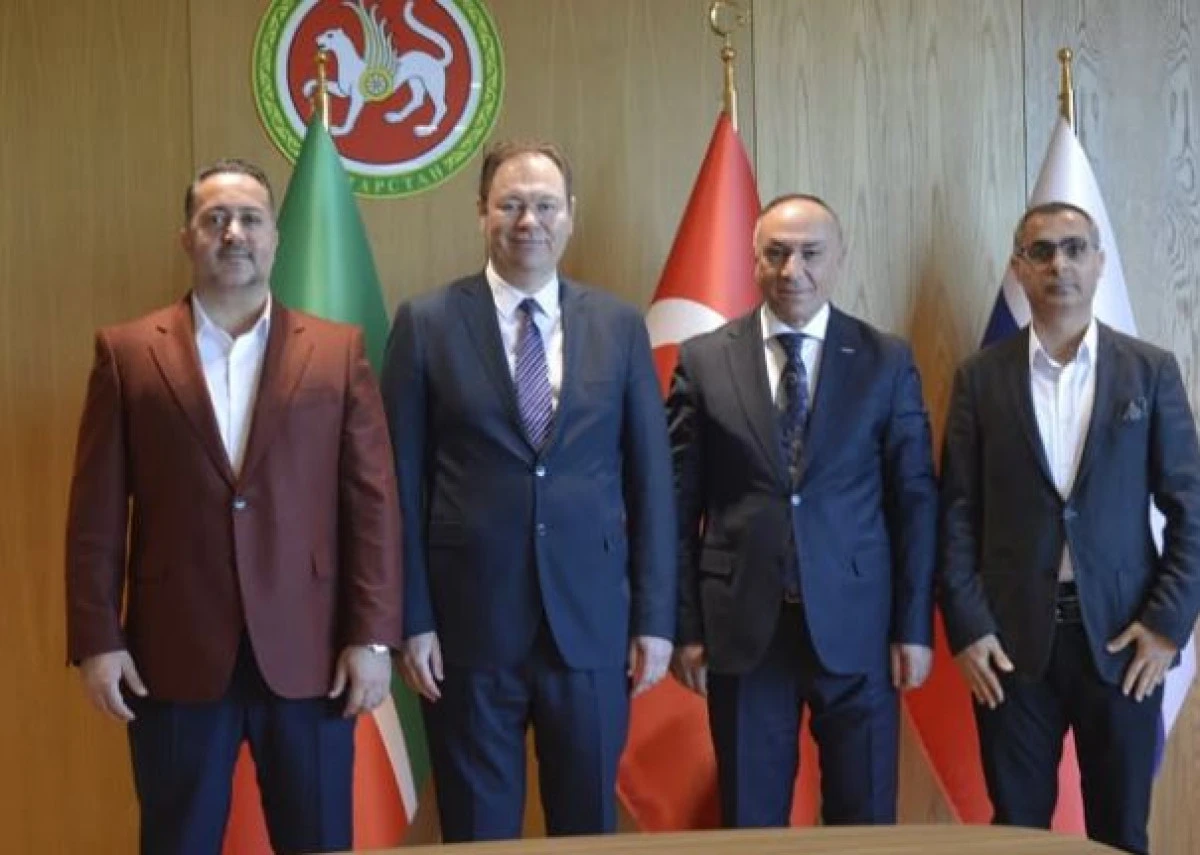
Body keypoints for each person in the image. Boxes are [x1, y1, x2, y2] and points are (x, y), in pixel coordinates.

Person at [64, 159, 403, 855]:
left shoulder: (337, 352)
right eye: (214, 218)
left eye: (250, 218)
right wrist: (98, 637)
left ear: (276, 237)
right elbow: (95, 513)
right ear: (186, 238)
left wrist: (372, 637)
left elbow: (372, 506)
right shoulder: (127, 354)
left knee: (319, 840)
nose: (233, 233)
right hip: (173, 654)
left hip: (313, 655)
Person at [667, 194, 938, 826]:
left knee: (863, 822)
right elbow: (677, 507)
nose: (794, 271)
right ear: (754, 259)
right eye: (777, 253)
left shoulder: (885, 361)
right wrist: (684, 626)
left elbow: (915, 501)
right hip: (743, 631)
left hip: (860, 628)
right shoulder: (704, 360)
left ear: (838, 258)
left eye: (811, 253)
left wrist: (913, 627)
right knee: (751, 824)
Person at [939, 201, 1200, 854]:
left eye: (1076, 248)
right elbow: (956, 514)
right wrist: (968, 629)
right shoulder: (979, 378)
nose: (1060, 264)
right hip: (1009, 647)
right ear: (1019, 268)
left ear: (1099, 262)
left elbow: (1191, 509)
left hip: (1124, 644)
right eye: (1043, 251)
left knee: (1121, 832)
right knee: (1018, 833)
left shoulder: (1149, 370)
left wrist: (1167, 626)